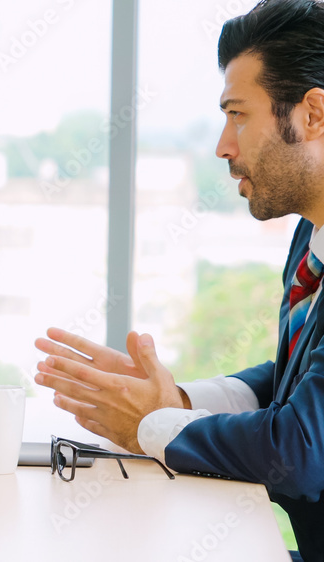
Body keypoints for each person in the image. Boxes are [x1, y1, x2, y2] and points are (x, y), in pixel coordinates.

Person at [34, 1, 324, 560]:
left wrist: (156, 423)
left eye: (239, 114)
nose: (223, 145)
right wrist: (181, 400)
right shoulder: (310, 235)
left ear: (312, 114)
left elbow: (302, 450)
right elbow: (297, 378)